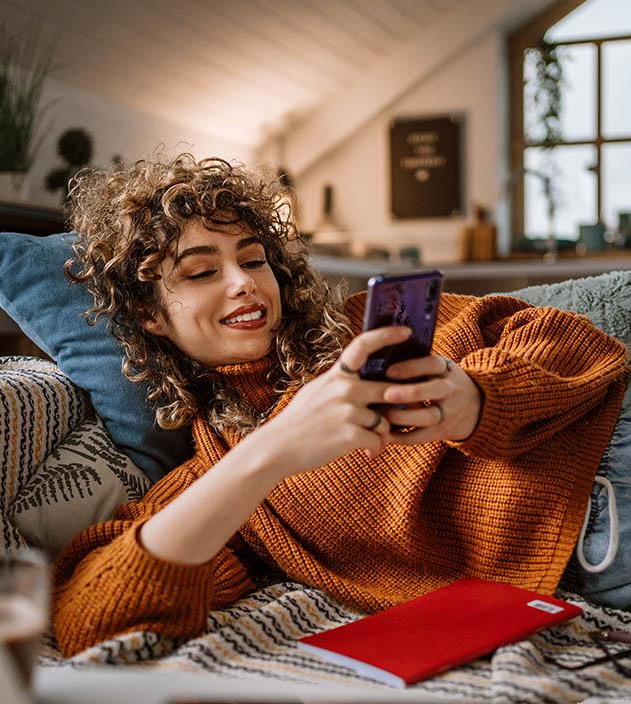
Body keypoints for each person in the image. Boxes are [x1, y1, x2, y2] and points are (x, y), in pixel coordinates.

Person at [52, 154, 630, 657]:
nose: (243, 283)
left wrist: (476, 399)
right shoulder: (219, 478)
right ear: (151, 315)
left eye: (253, 261)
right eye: (202, 271)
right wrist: (268, 455)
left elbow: (571, 340)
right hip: (590, 572)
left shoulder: (368, 327)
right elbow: (92, 619)